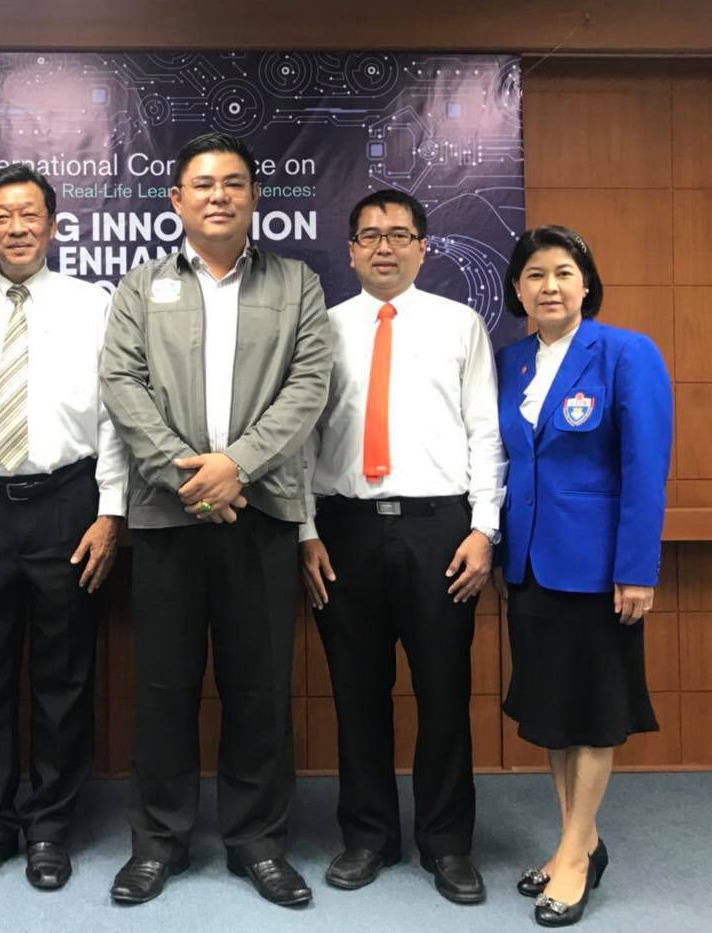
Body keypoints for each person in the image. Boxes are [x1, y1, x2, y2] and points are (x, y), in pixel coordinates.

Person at [99, 131, 331, 908]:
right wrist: (188, 476)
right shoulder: (140, 288)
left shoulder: (296, 284)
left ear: (255, 196)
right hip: (168, 519)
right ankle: (157, 842)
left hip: (260, 515)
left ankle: (258, 842)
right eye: (203, 184)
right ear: (177, 200)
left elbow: (308, 386)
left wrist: (238, 467)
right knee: (163, 687)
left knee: (259, 688)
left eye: (233, 183)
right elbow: (122, 385)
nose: (219, 196)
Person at [0, 163, 127, 891]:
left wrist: (110, 511)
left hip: (67, 502)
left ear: (53, 225)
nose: (17, 228)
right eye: (2, 216)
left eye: (29, 214)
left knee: (64, 675)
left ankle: (49, 828)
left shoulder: (94, 305)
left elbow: (116, 417)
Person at [299, 190, 506, 906]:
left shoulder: (460, 324)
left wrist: (483, 528)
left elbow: (485, 430)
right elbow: (303, 440)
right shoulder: (322, 330)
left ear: (422, 246)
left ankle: (447, 843)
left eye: (399, 234)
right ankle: (368, 836)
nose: (384, 247)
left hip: (439, 529)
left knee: (444, 690)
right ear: (351, 250)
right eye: (370, 235)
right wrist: (305, 531)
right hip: (344, 529)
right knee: (356, 692)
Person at [495, 225, 671, 927]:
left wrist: (636, 568)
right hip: (529, 564)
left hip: (598, 571)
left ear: (587, 284)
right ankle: (579, 842)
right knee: (554, 714)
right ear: (517, 289)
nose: (550, 287)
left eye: (564, 273)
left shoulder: (626, 352)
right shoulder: (511, 362)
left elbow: (645, 468)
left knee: (593, 715)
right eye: (535, 275)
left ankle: (573, 857)